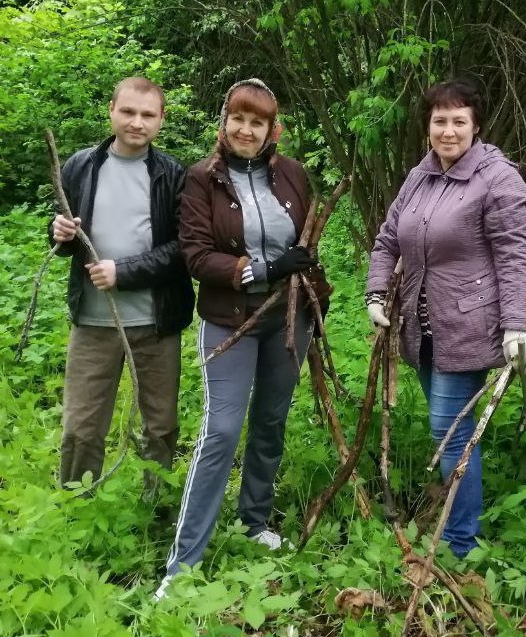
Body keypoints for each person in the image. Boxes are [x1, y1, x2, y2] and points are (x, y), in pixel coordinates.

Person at [157, 78, 322, 598]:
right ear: (223, 120)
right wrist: (264, 267)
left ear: (273, 129)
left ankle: (254, 522)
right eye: (239, 118)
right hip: (230, 318)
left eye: (258, 122)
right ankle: (182, 566)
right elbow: (197, 256)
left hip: (286, 319)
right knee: (222, 431)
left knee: (270, 421)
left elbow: (307, 241)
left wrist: (311, 288)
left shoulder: (294, 175)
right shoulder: (203, 179)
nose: (246, 130)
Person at [366, 79, 526, 557]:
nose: (448, 130)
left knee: (450, 431)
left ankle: (462, 545)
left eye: (459, 121)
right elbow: (387, 239)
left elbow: (512, 256)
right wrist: (376, 292)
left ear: (476, 126)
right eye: (439, 121)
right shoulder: (420, 176)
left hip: (468, 326)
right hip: (421, 330)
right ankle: (461, 531)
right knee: (451, 430)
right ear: (427, 127)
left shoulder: (498, 180)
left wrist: (517, 325)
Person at [50, 76, 194, 492]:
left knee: (161, 424)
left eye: (148, 115)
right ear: (111, 110)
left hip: (155, 322)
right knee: (82, 425)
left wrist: (124, 272)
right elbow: (64, 235)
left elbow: (183, 248)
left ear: (161, 119)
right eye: (128, 111)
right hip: (93, 322)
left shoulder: (171, 174)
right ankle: (78, 502)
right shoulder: (81, 166)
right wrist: (58, 232)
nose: (137, 122)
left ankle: (157, 501)